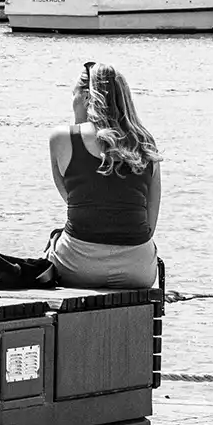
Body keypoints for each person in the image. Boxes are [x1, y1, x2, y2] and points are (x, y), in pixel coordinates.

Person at [44, 62, 160, 291]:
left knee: (55, 241)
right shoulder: (146, 143)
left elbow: (75, 202)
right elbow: (149, 224)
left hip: (79, 268)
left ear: (86, 96)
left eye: (74, 95)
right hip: (138, 270)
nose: (72, 101)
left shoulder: (61, 138)